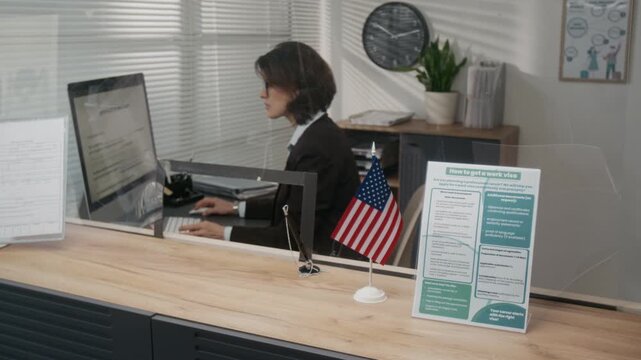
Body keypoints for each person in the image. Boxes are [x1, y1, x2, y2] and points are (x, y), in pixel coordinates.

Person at [180, 41, 361, 258]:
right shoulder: (318, 134)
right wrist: (237, 208)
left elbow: (292, 239)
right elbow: (293, 208)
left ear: (297, 89)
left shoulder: (316, 149)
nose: (262, 94)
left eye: (269, 84)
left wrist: (223, 233)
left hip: (321, 264)